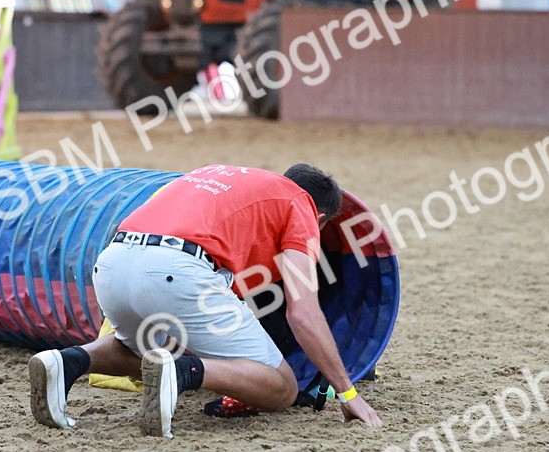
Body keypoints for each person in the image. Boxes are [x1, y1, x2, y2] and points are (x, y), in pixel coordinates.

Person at [28, 163, 384, 437]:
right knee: (282, 387)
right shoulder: (300, 206)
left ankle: (67, 361)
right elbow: (303, 312)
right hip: (178, 269)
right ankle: (181, 372)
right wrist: (348, 394)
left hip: (112, 263)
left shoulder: (224, 177)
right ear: (320, 218)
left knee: (140, 349)